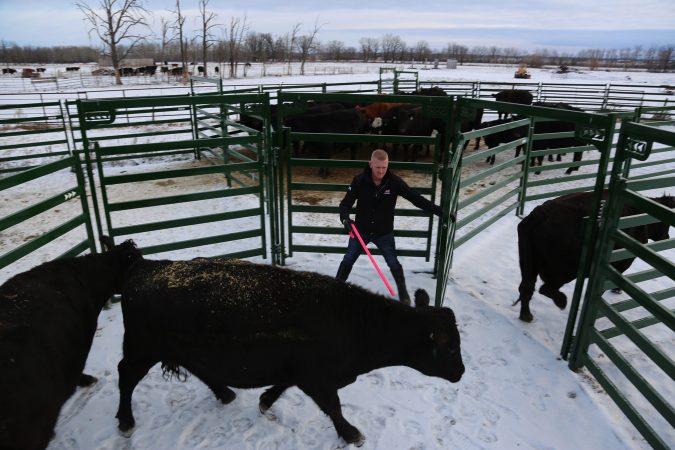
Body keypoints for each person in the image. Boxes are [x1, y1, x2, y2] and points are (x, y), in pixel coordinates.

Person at [336, 149, 448, 305]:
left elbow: (415, 198)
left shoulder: (394, 182)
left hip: (384, 232)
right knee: (348, 259)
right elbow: (345, 204)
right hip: (361, 230)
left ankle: (402, 291)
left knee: (393, 262)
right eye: (377, 168)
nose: (381, 171)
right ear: (370, 165)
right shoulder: (359, 181)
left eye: (384, 167)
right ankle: (335, 288)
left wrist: (440, 212)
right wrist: (345, 219)